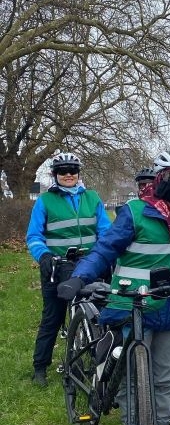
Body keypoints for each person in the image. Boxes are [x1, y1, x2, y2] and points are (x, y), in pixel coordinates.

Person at [57, 150, 170, 425]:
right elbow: (105, 249)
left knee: (167, 377)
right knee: (131, 375)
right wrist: (79, 277)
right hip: (133, 303)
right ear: (158, 178)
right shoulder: (135, 211)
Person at [26, 152, 111, 386]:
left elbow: (105, 231)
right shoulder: (45, 201)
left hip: (90, 265)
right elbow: (34, 235)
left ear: (78, 173)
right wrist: (43, 256)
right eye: (63, 171)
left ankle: (99, 360)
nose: (68, 175)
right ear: (55, 174)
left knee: (98, 314)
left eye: (72, 170)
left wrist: (104, 255)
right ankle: (40, 367)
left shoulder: (92, 198)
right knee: (52, 317)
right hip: (57, 266)